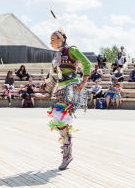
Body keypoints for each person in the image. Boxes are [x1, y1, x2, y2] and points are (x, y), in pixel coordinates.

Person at [47, 28, 91, 171]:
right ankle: (67, 152)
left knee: (60, 117)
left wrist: (84, 82)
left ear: (61, 40)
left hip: (72, 87)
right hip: (61, 89)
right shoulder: (56, 56)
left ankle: (67, 153)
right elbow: (54, 76)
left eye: (53, 39)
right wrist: (47, 87)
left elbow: (87, 64)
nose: (50, 42)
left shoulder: (71, 50)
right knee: (59, 120)